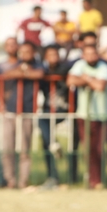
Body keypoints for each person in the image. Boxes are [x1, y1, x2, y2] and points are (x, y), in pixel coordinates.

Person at [0, 40, 44, 189]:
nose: (24, 54)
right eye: (22, 52)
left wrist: (23, 73)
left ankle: (23, 180)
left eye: (27, 52)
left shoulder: (39, 65)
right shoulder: (15, 64)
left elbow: (39, 74)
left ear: (33, 53)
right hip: (10, 110)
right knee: (7, 148)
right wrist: (23, 72)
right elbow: (7, 74)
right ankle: (10, 180)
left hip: (27, 111)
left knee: (24, 149)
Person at [66, 43, 107, 189]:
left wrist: (87, 79)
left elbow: (100, 86)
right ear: (83, 55)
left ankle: (100, 179)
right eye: (88, 54)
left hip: (101, 115)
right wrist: (91, 80)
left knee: (99, 149)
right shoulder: (79, 65)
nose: (91, 57)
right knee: (88, 149)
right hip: (84, 114)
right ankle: (93, 180)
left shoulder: (104, 67)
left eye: (93, 54)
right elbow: (70, 81)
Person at [38, 44, 72, 189]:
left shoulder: (65, 68)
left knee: (43, 122)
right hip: (48, 109)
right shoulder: (42, 70)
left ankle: (69, 178)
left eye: (55, 54)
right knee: (46, 142)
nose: (53, 57)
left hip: (63, 109)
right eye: (50, 55)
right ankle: (53, 176)